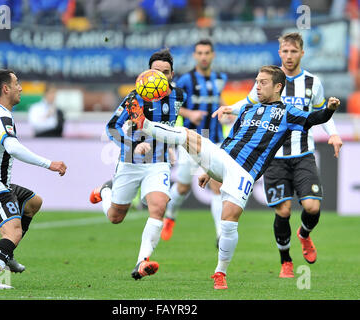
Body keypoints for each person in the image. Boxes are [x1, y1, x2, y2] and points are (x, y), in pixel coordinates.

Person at [125, 65, 340, 289]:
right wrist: (209, 169)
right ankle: (145, 125)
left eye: (263, 82)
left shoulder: (287, 112)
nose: (257, 86)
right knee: (187, 135)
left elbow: (315, 117)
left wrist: (330, 109)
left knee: (228, 221)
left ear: (278, 87)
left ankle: (220, 272)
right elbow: (232, 139)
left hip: (244, 172)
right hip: (223, 157)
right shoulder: (248, 109)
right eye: (256, 81)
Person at [215, 32, 343, 278]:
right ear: (279, 53)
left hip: (303, 152)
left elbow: (319, 114)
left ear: (302, 53)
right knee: (283, 211)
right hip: (274, 155)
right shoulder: (268, 80)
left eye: (294, 51)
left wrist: (334, 134)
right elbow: (249, 101)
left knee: (312, 207)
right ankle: (286, 261)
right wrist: (231, 108)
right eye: (285, 51)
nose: (289, 56)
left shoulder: (312, 83)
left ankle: (304, 235)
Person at [89, 49, 187, 280]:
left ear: (171, 75)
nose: (158, 77)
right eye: (155, 72)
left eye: (164, 73)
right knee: (115, 217)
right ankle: (104, 191)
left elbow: (170, 124)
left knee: (158, 207)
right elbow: (112, 127)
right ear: (146, 73)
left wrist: (171, 144)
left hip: (159, 163)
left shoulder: (179, 96)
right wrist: (133, 145)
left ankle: (141, 262)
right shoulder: (134, 97)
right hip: (131, 162)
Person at [0, 69, 67, 289]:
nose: (21, 88)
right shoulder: (0, 115)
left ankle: (7, 252)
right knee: (13, 232)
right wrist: (49, 163)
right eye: (17, 83)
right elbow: (12, 148)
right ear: (6, 88)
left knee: (34, 203)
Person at [161, 39, 228, 244]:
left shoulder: (220, 78)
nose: (203, 56)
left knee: (217, 186)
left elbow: (218, 99)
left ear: (213, 55)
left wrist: (227, 110)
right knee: (182, 188)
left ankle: (220, 234)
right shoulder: (185, 80)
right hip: (190, 140)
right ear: (194, 56)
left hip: (215, 140)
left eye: (207, 52)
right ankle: (170, 216)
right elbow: (170, 104)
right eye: (199, 53)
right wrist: (190, 112)